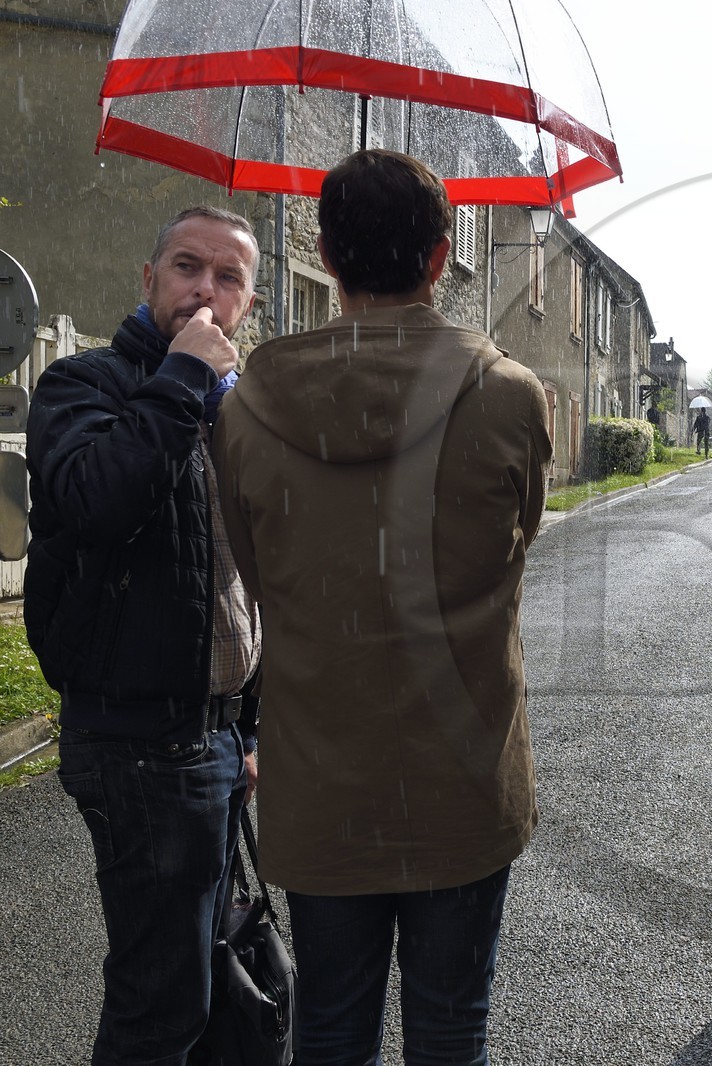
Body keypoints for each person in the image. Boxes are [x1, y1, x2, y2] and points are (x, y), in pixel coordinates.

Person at [212, 149, 552, 1063]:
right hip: (462, 782)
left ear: (325, 255)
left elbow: (257, 572)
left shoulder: (244, 414)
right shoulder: (511, 397)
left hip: (321, 786)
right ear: (440, 259)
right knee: (451, 1031)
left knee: (330, 1033)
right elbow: (519, 541)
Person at [24, 205, 262, 1062]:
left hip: (214, 737)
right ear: (149, 279)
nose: (204, 290)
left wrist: (249, 729)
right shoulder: (83, 385)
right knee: (160, 1005)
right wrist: (183, 375)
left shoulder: (238, 411)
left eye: (228, 277)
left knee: (200, 982)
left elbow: (248, 583)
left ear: (248, 303)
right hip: (137, 746)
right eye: (187, 267)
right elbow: (97, 501)